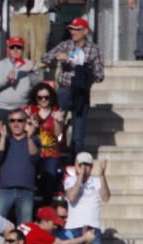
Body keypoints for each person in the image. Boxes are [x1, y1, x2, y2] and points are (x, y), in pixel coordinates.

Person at [40, 17, 103, 158]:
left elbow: (100, 75)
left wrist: (80, 64)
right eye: (71, 29)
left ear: (85, 31)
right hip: (64, 89)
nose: (73, 32)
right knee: (54, 125)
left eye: (77, 29)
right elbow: (44, 58)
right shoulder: (65, 45)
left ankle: (76, 166)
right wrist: (55, 56)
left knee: (78, 136)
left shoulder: (94, 50)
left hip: (81, 91)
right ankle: (52, 158)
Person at [0, 110, 39, 225]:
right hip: (5, 189)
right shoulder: (4, 140)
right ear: (8, 123)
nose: (16, 124)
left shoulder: (34, 140)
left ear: (25, 123)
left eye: (20, 120)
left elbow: (35, 158)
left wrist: (29, 137)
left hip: (26, 191)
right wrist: (3, 137)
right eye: (12, 121)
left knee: (25, 227)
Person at [63, 152, 108, 244]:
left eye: (87, 165)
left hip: (93, 228)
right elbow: (72, 197)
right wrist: (80, 178)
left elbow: (106, 198)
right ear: (76, 165)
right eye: (81, 165)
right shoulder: (70, 180)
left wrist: (102, 176)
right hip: (73, 228)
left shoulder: (97, 181)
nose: (84, 168)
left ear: (91, 167)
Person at [24, 82, 65, 204]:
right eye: (40, 97)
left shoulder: (56, 112)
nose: (43, 100)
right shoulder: (29, 111)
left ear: (51, 98)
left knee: (49, 181)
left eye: (46, 97)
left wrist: (58, 121)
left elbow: (58, 135)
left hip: (51, 152)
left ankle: (46, 208)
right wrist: (30, 125)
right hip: (33, 151)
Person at [0, 37, 39, 123]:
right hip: (3, 108)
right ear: (8, 49)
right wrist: (7, 78)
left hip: (22, 107)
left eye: (18, 47)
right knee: (4, 135)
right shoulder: (1, 64)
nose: (15, 50)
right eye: (12, 47)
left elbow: (37, 85)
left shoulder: (29, 63)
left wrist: (31, 72)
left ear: (23, 49)